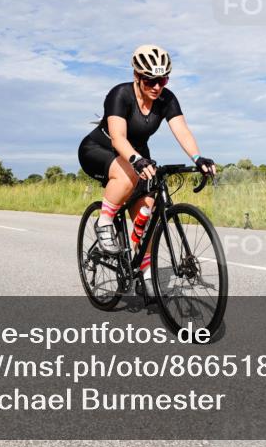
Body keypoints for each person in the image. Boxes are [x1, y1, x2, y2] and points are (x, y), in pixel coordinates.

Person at [78, 45, 216, 275]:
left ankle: (146, 273)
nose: (156, 86)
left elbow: (181, 129)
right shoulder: (120, 94)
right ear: (136, 76)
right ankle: (104, 223)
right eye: (150, 80)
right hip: (99, 149)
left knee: (148, 213)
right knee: (127, 175)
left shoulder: (166, 98)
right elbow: (118, 138)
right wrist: (136, 159)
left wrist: (197, 157)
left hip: (137, 155)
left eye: (162, 80)